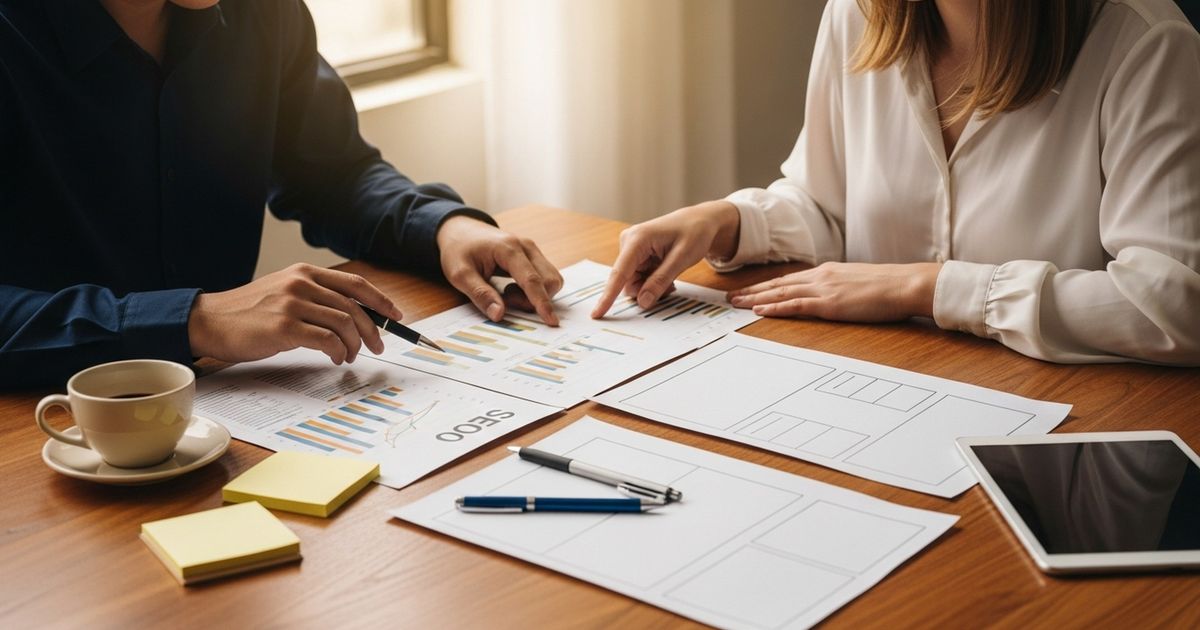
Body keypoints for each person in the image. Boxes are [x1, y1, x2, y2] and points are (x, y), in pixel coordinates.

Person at [592, 0, 1200, 366]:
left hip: (1064, 427)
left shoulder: (1145, 43)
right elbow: (830, 209)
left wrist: (926, 287)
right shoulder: (857, 13)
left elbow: (1171, 305)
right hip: (879, 383)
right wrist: (728, 221)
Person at [0, 0, 563, 389]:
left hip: (229, 413)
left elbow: (330, 173)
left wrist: (441, 227)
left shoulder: (261, 13)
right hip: (40, 432)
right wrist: (194, 319)